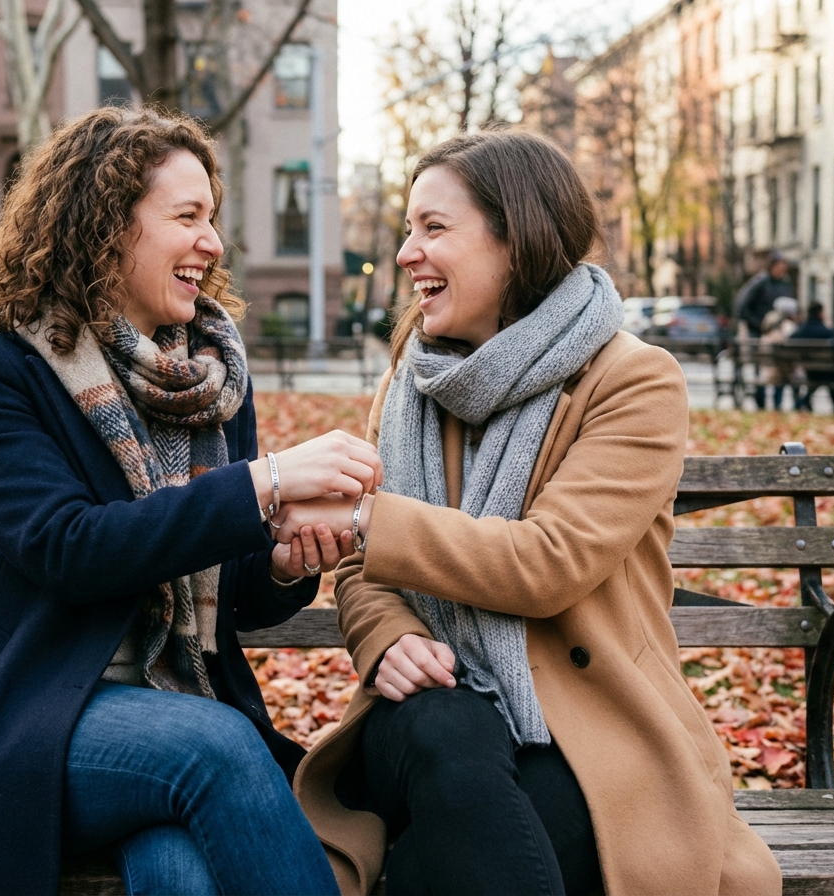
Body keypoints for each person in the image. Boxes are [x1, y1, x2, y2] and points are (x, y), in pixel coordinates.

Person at [0, 107, 367, 896]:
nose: (213, 242)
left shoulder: (212, 385)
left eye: (214, 218)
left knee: (180, 872)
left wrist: (280, 562)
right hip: (33, 721)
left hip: (173, 719)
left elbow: (232, 602)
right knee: (217, 749)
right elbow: (70, 549)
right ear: (106, 227)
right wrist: (262, 483)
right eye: (187, 217)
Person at [280, 131, 782, 895]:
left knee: (464, 854)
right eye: (407, 230)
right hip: (425, 713)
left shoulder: (634, 381)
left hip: (589, 725)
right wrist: (388, 635)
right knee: (447, 732)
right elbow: (362, 572)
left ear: (517, 238)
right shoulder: (411, 382)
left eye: (434, 228)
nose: (406, 254)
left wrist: (363, 519)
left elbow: (548, 563)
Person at [734, 253, 795, 409]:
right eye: (780, 267)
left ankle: (777, 403)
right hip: (759, 334)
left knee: (779, 367)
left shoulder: (784, 284)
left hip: (778, 334)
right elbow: (742, 308)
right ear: (772, 266)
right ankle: (760, 402)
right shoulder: (759, 283)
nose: (782, 270)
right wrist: (760, 326)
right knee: (760, 369)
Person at [789, 302, 834, 414]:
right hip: (831, 373)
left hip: (810, 372)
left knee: (829, 376)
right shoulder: (827, 331)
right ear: (820, 313)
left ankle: (805, 402)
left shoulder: (799, 331)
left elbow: (789, 341)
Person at [758, 295, 802, 411]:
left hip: (766, 369)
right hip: (782, 370)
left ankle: (774, 405)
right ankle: (798, 404)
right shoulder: (789, 327)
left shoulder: (767, 325)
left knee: (780, 372)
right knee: (790, 373)